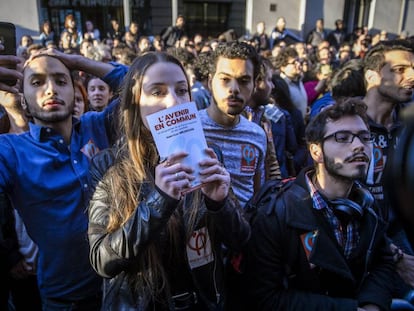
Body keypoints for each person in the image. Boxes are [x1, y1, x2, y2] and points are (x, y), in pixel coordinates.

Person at [87, 51, 250, 310]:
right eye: (157, 92)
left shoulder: (208, 154)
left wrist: (220, 204)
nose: (173, 102)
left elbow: (240, 240)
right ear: (134, 100)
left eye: (181, 90)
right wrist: (159, 201)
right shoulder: (109, 166)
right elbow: (102, 260)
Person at [0, 48, 128, 310]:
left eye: (60, 80)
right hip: (66, 299)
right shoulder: (11, 152)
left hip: (122, 285)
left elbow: (139, 85)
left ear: (75, 90)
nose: (50, 90)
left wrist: (80, 61)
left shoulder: (98, 126)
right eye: (37, 82)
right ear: (22, 99)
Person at [246, 98, 395, 310]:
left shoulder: (367, 205)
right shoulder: (276, 214)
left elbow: (382, 262)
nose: (359, 146)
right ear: (316, 152)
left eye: (364, 137)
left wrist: (373, 304)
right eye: (342, 138)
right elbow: (265, 298)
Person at [362, 39, 414, 297]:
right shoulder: (343, 124)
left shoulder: (409, 126)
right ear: (372, 76)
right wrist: (393, 256)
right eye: (400, 70)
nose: (412, 76)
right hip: (357, 246)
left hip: (401, 237)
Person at [198, 41, 266, 208]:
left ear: (254, 84)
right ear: (209, 81)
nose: (234, 89)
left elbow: (257, 194)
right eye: (225, 79)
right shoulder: (190, 129)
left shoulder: (257, 135)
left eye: (243, 81)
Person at [273, 46, 308, 120]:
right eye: (293, 63)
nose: (298, 64)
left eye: (298, 61)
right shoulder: (281, 86)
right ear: (283, 67)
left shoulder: (299, 80)